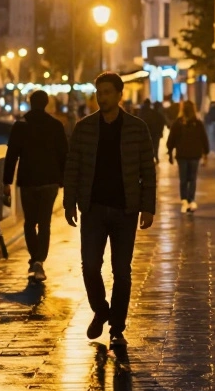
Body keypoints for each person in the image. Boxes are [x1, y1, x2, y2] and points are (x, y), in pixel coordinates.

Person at [64, 72, 158, 348]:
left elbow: (147, 170)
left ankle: (117, 327)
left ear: (119, 95)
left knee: (122, 270)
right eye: (98, 92)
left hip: (125, 209)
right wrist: (70, 202)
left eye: (107, 92)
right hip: (93, 208)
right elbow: (73, 166)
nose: (101, 97)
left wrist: (147, 207)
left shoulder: (136, 128)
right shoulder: (85, 128)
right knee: (90, 265)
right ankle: (101, 309)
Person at [2, 90, 68, 281]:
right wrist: (65, 180)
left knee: (30, 222)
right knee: (45, 222)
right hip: (50, 181)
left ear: (30, 103)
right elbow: (64, 154)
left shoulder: (20, 126)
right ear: (47, 103)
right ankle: (39, 260)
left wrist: (7, 181)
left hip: (28, 180)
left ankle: (35, 258)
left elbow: (12, 155)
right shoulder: (56, 126)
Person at [166, 99, 209, 212]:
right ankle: (191, 200)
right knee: (192, 178)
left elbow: (171, 140)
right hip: (195, 155)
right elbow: (204, 139)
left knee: (183, 179)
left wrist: (170, 152)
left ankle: (184, 200)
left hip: (182, 155)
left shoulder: (178, 123)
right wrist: (205, 154)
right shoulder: (198, 123)